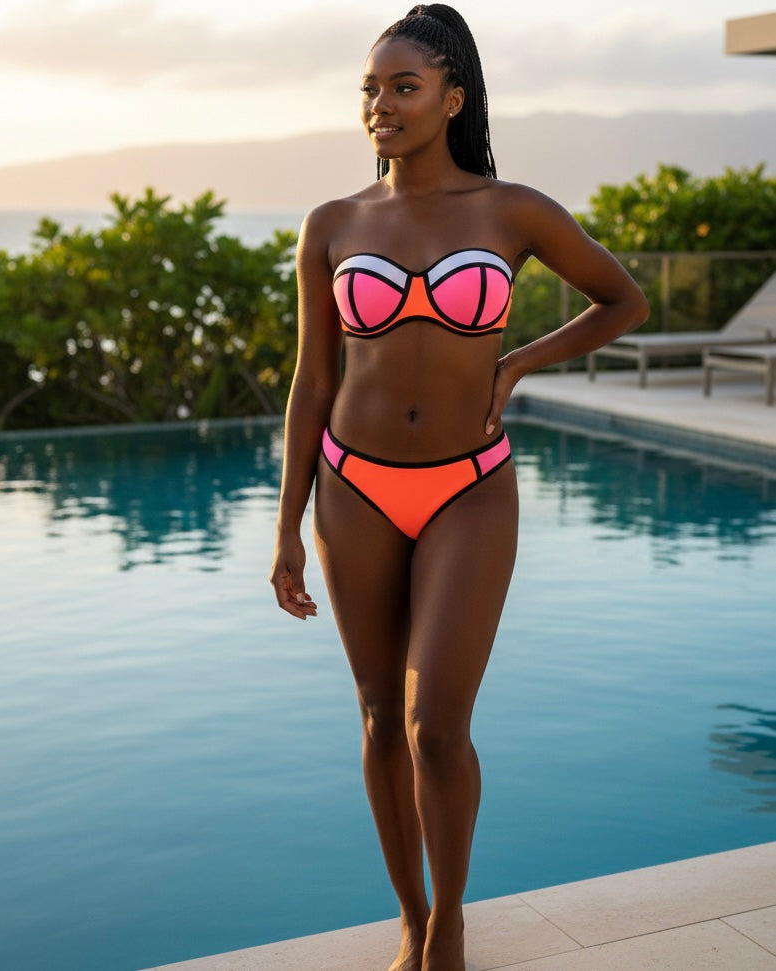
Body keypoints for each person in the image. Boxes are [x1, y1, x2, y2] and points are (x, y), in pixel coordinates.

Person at [270, 5, 648, 969]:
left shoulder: (509, 209)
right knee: (374, 714)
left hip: (468, 488)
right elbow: (313, 380)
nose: (380, 105)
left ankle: (453, 922)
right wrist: (283, 527)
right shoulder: (333, 223)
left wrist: (516, 362)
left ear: (452, 97)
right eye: (369, 88)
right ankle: (408, 915)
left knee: (436, 721)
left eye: (403, 86)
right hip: (350, 489)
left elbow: (622, 299)